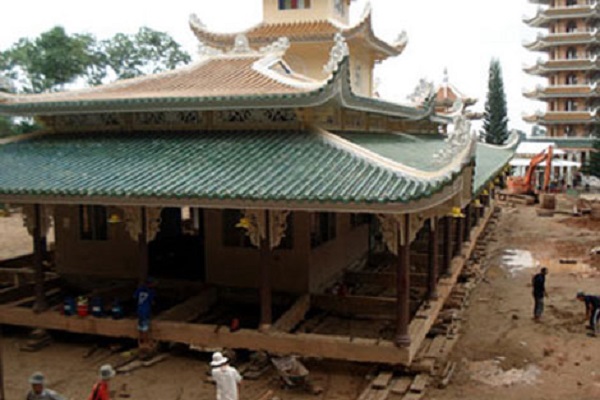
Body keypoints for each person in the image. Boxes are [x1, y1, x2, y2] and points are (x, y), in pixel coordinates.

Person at [133, 278, 156, 347]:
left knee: (140, 325)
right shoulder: (151, 291)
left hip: (139, 309)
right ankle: (146, 341)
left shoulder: (140, 289)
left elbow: (134, 296)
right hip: (146, 310)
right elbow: (152, 301)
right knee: (145, 327)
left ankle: (141, 340)